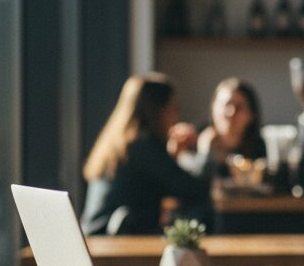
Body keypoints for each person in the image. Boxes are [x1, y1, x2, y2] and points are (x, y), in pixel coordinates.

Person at [81, 72, 211, 235]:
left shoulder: (121, 144)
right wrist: (206, 151)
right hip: (117, 243)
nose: (176, 116)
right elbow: (195, 190)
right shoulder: (143, 147)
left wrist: (172, 156)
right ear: (158, 111)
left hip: (96, 235)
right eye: (173, 108)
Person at [189, 77, 266, 177]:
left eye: (239, 107)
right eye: (226, 104)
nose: (231, 113)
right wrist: (205, 153)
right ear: (213, 108)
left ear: (251, 115)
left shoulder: (260, 148)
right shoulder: (191, 138)